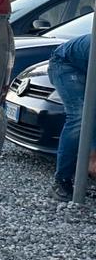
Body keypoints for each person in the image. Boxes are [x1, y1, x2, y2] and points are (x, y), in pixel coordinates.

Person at [49, 31, 96, 199]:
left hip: (85, 65)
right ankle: (61, 181)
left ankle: (89, 171)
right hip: (64, 64)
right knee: (80, 117)